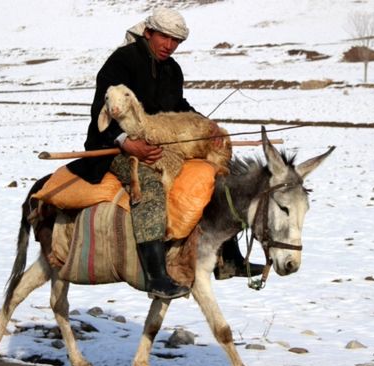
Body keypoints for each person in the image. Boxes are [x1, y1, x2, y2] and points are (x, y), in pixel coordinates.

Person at [67, 8, 261, 299]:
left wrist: (207, 128)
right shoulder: (122, 62)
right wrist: (124, 142)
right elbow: (101, 108)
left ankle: (229, 258)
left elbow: (178, 105)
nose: (169, 45)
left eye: (176, 41)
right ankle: (156, 276)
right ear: (149, 33)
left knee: (217, 173)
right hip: (112, 147)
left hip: (165, 143)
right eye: (165, 37)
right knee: (149, 185)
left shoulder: (172, 69)